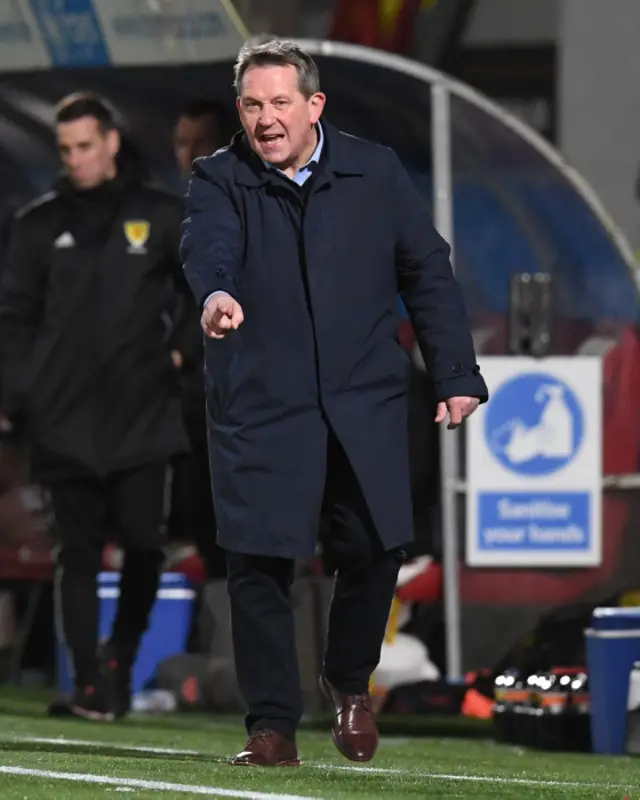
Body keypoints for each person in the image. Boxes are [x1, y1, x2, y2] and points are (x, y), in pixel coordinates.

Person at [180, 39, 488, 766]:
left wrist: (454, 374)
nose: (265, 119)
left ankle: (349, 685)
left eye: (280, 102)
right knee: (258, 565)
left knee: (378, 547)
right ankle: (273, 727)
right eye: (252, 105)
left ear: (314, 105)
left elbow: (426, 271)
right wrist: (217, 295)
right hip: (260, 404)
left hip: (363, 401)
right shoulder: (218, 178)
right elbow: (207, 249)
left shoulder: (374, 171)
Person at [0, 92, 195, 720]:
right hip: (62, 417)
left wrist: (179, 355)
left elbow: (208, 292)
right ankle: (87, 680)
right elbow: (14, 318)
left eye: (85, 145)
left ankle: (120, 655)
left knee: (144, 544)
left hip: (141, 412)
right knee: (75, 554)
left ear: (111, 142)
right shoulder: (37, 223)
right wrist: (21, 392)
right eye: (65, 149)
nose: (75, 159)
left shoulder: (161, 215)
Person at [168, 100, 231, 580]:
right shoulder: (173, 215)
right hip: (193, 392)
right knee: (199, 504)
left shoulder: (244, 206)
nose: (189, 154)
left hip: (242, 383)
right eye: (181, 143)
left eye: (199, 142)